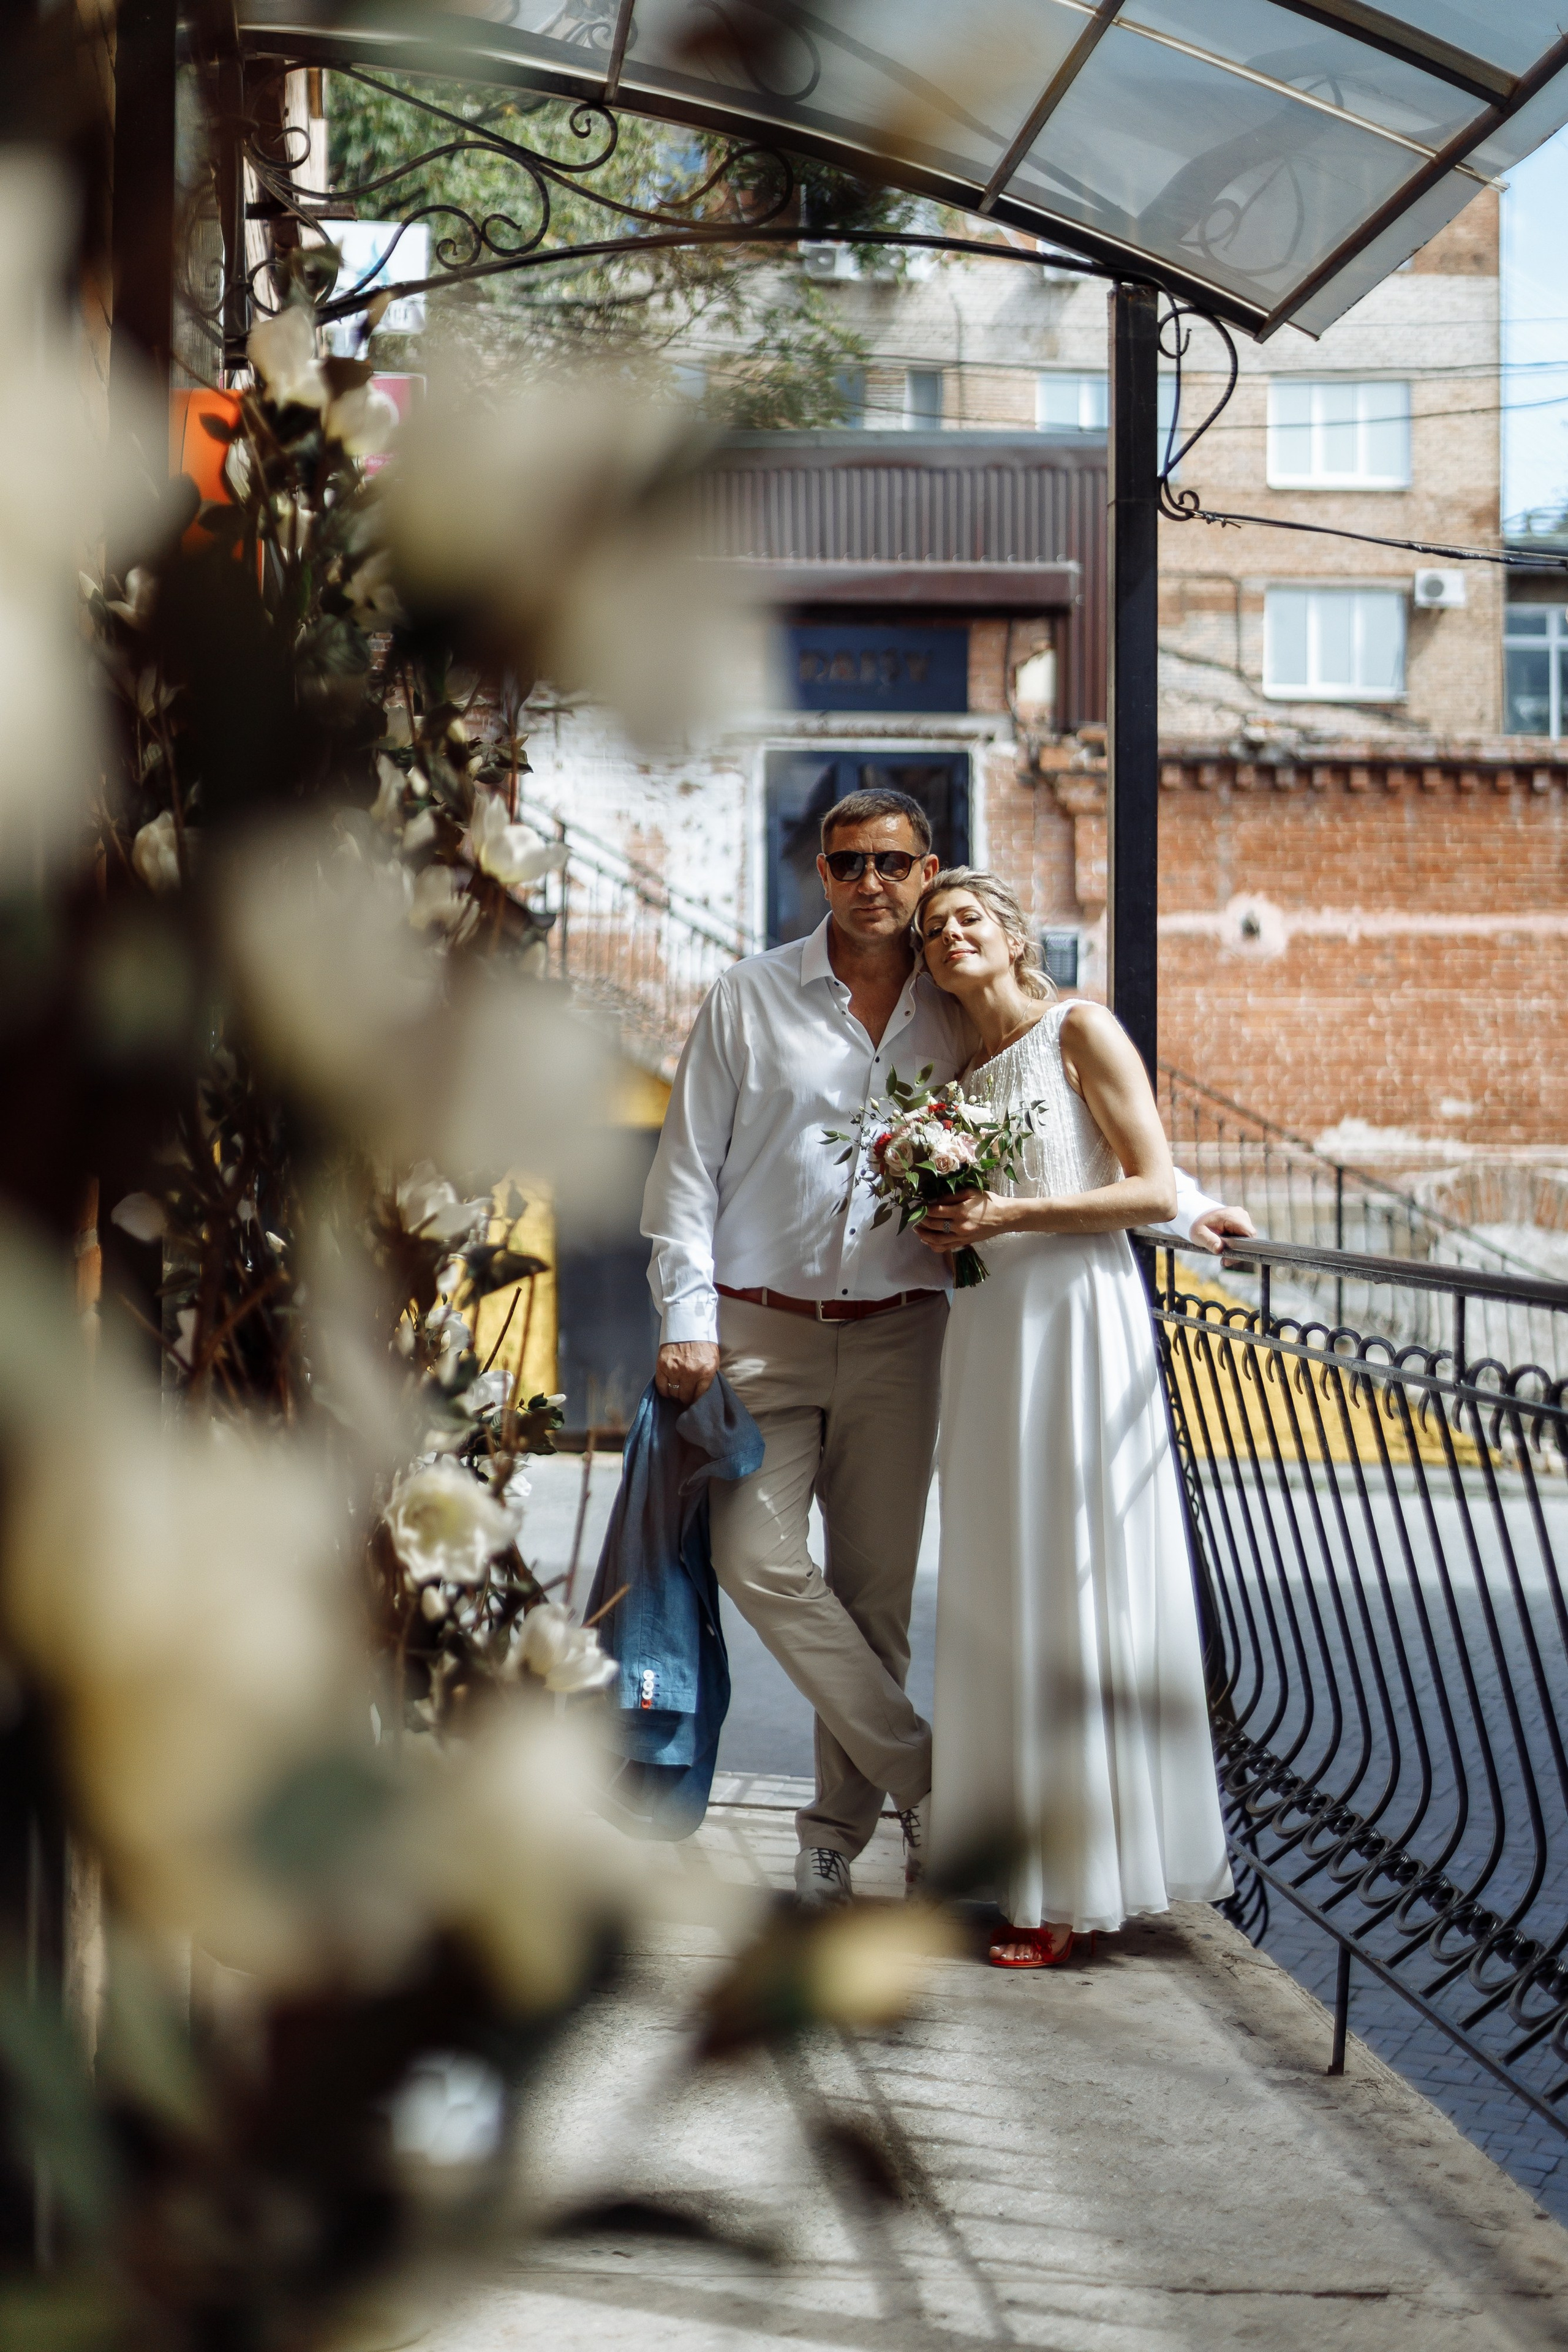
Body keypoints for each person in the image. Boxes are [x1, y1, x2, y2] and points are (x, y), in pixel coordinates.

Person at [911, 867, 1233, 1964]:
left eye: (968, 919)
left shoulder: (1080, 1028)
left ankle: (1067, 1886)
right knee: (1000, 1586)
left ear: (1012, 937)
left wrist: (1011, 1213)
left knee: (1073, 1578)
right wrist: (947, 1224)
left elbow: (1151, 1187)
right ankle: (1009, 1857)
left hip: (1078, 1324)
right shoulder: (955, 1077)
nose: (950, 936)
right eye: (933, 931)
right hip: (989, 1334)